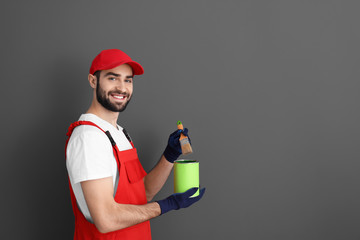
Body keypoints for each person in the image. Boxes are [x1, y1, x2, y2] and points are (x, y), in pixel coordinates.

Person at [65, 49, 205, 239]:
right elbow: (106, 219)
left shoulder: (119, 133)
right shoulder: (89, 137)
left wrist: (169, 155)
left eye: (128, 80)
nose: (122, 88)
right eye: (112, 78)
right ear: (93, 81)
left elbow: (143, 194)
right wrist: (167, 205)